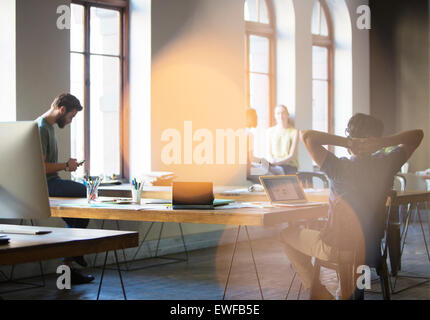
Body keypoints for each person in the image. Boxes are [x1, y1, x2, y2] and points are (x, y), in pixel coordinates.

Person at [280, 113, 423, 299]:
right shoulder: (386, 164)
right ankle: (344, 291)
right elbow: (417, 135)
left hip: (338, 249)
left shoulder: (338, 167)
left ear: (350, 137)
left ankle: (318, 291)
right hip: (370, 250)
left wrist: (349, 142)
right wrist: (382, 142)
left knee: (285, 235)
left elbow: (307, 136)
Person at [36, 93, 95, 285]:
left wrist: (66, 166)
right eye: (71, 116)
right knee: (85, 192)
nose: (70, 121)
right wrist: (66, 166)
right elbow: (42, 167)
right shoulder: (42, 128)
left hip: (53, 181)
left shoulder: (49, 127)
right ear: (62, 110)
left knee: (78, 217)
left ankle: (69, 267)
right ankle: (74, 253)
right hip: (47, 184)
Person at [266, 105, 299, 175]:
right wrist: (272, 161)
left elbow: (291, 156)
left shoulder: (294, 132)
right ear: (275, 116)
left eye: (283, 113)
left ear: (288, 115)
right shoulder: (270, 131)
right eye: (278, 113)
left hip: (289, 166)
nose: (280, 116)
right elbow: (269, 153)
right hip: (274, 164)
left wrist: (277, 163)